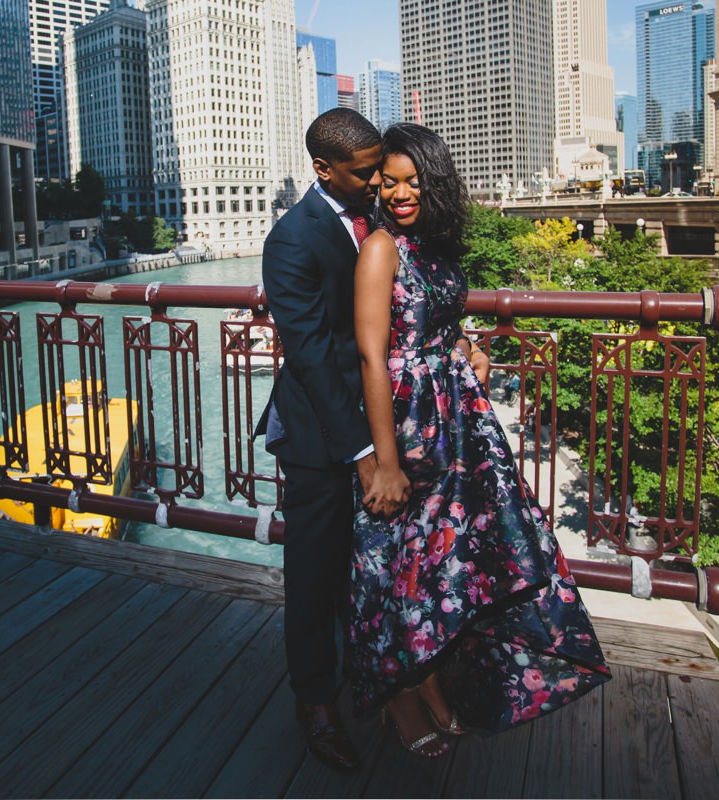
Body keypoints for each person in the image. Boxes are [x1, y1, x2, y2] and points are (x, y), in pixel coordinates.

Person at [347, 122, 610, 757]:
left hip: (460, 425)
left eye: (412, 181)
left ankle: (433, 684)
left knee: (448, 562)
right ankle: (402, 697)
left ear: (434, 183)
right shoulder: (381, 248)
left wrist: (469, 348)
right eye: (389, 182)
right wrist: (384, 460)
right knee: (402, 563)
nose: (399, 192)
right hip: (409, 426)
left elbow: (442, 324)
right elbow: (370, 357)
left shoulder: (436, 247)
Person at [256, 108, 410, 773]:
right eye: (365, 171)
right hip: (321, 437)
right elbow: (312, 356)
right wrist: (366, 454)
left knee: (381, 563)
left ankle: (387, 678)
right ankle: (314, 702)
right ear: (324, 170)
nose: (379, 181)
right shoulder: (291, 240)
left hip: (380, 421)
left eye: (381, 167)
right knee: (314, 576)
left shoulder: (374, 215)